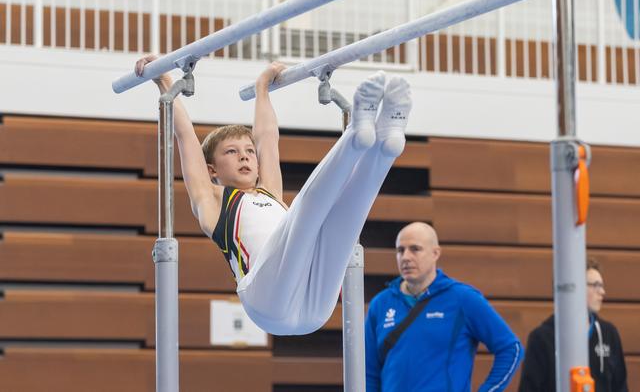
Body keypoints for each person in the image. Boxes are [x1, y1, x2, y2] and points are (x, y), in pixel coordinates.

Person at [135, 56, 412, 335]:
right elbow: (186, 137)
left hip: (313, 308)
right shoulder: (213, 200)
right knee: (306, 215)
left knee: (344, 224)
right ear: (211, 170)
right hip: (266, 301)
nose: (244, 156)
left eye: (248, 151)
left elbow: (267, 137)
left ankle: (384, 147)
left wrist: (263, 89)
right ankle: (355, 137)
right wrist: (165, 82)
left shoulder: (270, 191)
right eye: (232, 152)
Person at [365, 222, 523, 392]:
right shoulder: (380, 304)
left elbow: (511, 348)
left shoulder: (462, 299)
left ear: (435, 253)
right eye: (400, 250)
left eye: (415, 249)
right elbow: (368, 372)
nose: (406, 257)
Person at [518, 258, 628, 392]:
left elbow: (621, 386)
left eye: (602, 286)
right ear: (575, 287)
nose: (602, 292)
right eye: (595, 285)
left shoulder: (609, 334)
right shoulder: (541, 338)